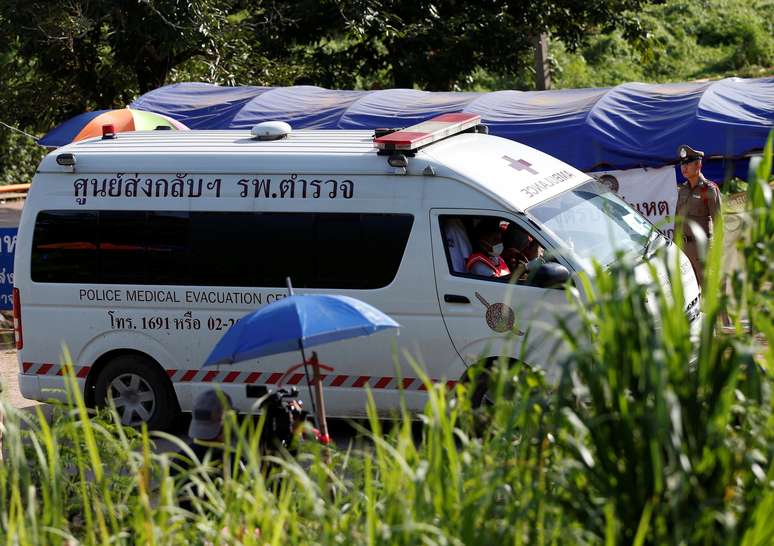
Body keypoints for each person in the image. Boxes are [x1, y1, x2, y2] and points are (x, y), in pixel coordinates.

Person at [674, 144, 721, 287]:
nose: (684, 167)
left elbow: (719, 223)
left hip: (703, 250)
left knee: (710, 291)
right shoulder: (682, 190)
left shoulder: (709, 189)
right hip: (684, 249)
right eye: (682, 164)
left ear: (698, 164)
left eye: (687, 163)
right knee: (689, 293)